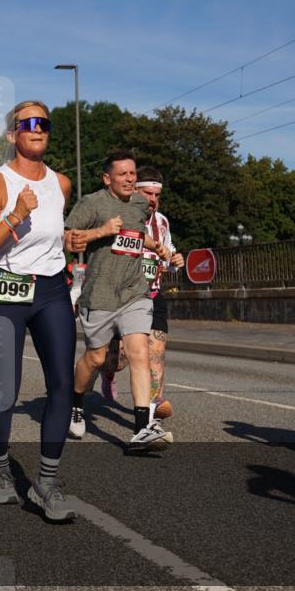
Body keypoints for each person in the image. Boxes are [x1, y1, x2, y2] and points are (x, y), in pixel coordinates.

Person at [0, 100, 77, 520]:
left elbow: (52, 238)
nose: (38, 129)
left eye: (44, 123)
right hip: (4, 291)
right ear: (12, 134)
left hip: (50, 290)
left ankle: (46, 483)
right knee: (8, 387)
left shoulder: (61, 184)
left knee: (62, 384)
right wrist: (16, 215)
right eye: (28, 123)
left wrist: (75, 239)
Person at [64, 151, 173, 452]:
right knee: (96, 359)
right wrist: (101, 230)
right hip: (100, 295)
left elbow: (134, 235)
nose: (129, 179)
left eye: (133, 174)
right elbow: (68, 240)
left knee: (139, 352)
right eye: (123, 174)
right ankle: (76, 402)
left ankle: (141, 429)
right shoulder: (92, 203)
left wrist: (157, 246)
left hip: (134, 292)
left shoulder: (140, 203)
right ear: (107, 178)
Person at [135, 166, 185, 419]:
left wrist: (174, 260)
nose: (153, 200)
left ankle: (152, 408)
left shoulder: (162, 222)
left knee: (156, 354)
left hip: (153, 296)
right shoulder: (121, 217)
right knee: (115, 360)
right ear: (134, 191)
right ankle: (107, 374)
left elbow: (166, 255)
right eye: (147, 193)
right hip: (123, 299)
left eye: (156, 195)